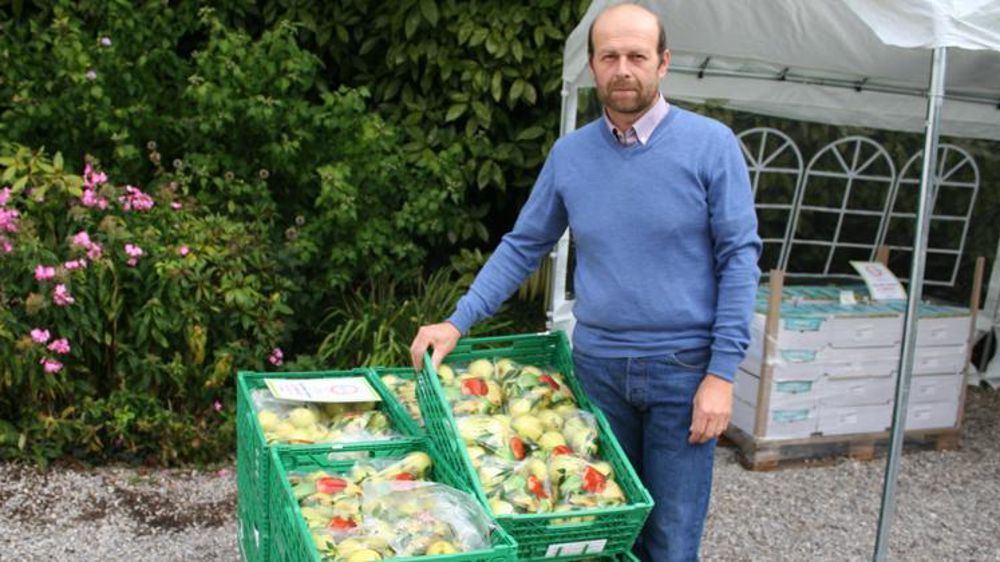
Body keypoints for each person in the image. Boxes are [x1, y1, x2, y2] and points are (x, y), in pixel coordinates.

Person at [410, 4, 761, 561]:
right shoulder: (570, 155)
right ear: (593, 66)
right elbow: (524, 245)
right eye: (609, 57)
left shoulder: (711, 145)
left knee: (671, 540)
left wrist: (721, 374)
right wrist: (458, 321)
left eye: (637, 56)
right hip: (598, 373)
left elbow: (740, 261)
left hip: (683, 373)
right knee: (595, 531)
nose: (623, 69)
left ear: (663, 62)